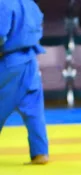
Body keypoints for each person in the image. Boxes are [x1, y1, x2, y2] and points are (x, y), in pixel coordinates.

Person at [0, 0, 49, 165]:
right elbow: (39, 24)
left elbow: (0, 33)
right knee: (34, 108)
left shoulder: (4, 3)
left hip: (9, 61)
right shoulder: (30, 3)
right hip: (30, 59)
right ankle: (40, 152)